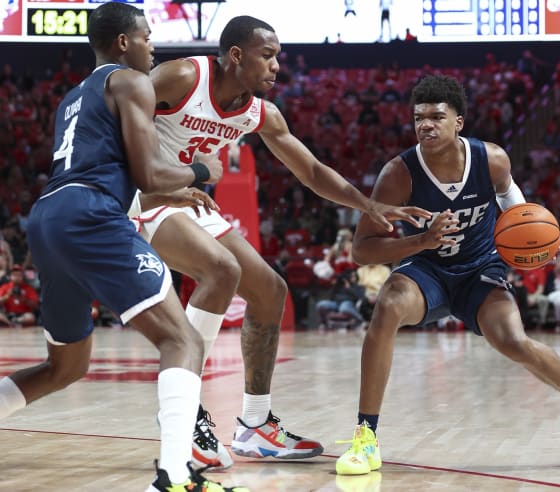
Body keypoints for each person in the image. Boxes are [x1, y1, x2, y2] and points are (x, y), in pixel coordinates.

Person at [131, 15, 431, 469]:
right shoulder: (184, 75)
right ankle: (184, 409)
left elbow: (311, 172)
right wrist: (135, 180)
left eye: (278, 58)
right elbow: (120, 112)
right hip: (144, 194)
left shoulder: (260, 112)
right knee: (222, 270)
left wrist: (368, 205)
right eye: (267, 56)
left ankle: (255, 425)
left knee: (270, 292)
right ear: (236, 56)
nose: (276, 67)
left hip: (189, 201)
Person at [334, 75, 560, 476]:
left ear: (459, 121)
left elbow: (516, 208)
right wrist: (421, 242)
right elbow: (362, 249)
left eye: (436, 117)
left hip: (481, 266)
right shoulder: (399, 174)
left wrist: (535, 244)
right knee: (388, 305)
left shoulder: (491, 159)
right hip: (427, 269)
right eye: (418, 118)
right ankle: (366, 437)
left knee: (513, 340)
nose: (425, 124)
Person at [0, 3, 245, 491]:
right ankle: (175, 477)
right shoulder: (132, 82)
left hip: (49, 217)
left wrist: (169, 191)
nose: (155, 46)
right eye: (148, 36)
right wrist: (202, 172)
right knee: (183, 340)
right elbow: (148, 172)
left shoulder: (73, 97)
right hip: (90, 216)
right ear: (123, 43)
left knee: (65, 366)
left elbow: (115, 176)